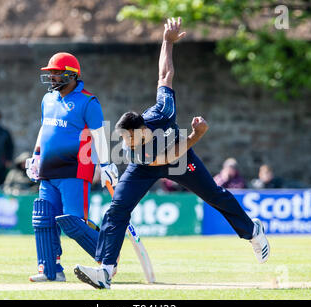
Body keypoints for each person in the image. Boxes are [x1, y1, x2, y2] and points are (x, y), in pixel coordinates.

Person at [74, 18, 270, 290]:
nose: (127, 144)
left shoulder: (162, 111)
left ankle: (252, 232)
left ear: (142, 129)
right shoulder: (138, 153)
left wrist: (168, 42)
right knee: (118, 209)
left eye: (130, 138)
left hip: (181, 158)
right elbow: (160, 159)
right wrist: (196, 135)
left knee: (214, 195)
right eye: (124, 139)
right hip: (151, 165)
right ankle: (106, 269)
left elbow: (164, 75)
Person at [25, 52, 119, 282]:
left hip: (75, 170)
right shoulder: (48, 100)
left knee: (73, 223)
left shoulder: (88, 101)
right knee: (43, 217)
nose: (52, 78)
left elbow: (99, 135)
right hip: (48, 170)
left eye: (56, 73)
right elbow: (44, 129)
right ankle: (51, 271)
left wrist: (106, 163)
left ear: (71, 75)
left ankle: (108, 261)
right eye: (51, 74)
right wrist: (35, 155)